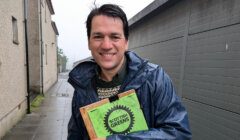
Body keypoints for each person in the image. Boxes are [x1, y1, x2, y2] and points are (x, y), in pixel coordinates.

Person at [67, 4, 191, 140]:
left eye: (115, 37)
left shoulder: (155, 78)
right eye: (98, 37)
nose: (106, 45)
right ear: (89, 42)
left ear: (126, 42)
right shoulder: (82, 86)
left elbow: (179, 134)